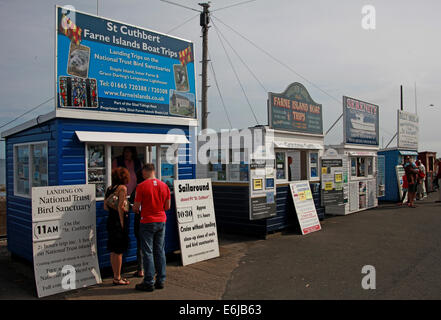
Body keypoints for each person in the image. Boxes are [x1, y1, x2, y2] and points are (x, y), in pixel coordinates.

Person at [133, 163, 171, 292]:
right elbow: (167, 207)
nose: (142, 174)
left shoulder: (141, 186)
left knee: (147, 252)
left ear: (145, 171)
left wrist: (134, 207)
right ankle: (161, 280)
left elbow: (136, 207)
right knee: (159, 250)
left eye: (142, 172)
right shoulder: (164, 186)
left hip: (147, 221)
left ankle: (148, 281)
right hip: (161, 220)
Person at [112, 147, 144, 277]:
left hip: (133, 197)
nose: (127, 154)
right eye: (125, 151)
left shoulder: (138, 163)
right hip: (125, 198)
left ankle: (139, 268)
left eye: (129, 152)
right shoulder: (117, 161)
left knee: (139, 239)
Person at [104, 167, 130, 285]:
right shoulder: (122, 188)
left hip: (110, 220)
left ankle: (115, 275)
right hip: (118, 222)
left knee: (113, 250)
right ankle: (118, 277)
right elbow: (121, 207)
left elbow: (105, 206)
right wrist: (122, 224)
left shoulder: (109, 188)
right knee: (119, 250)